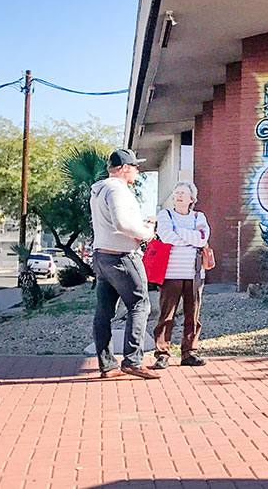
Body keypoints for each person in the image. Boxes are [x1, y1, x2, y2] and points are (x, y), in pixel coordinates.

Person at [90, 148, 160, 379]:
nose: (138, 171)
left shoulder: (99, 190)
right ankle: (132, 361)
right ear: (124, 168)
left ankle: (107, 365)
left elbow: (114, 223)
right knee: (140, 305)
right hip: (122, 256)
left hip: (101, 257)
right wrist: (147, 233)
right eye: (135, 166)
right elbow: (121, 223)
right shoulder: (117, 189)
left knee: (104, 311)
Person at [153, 181, 210, 368]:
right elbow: (166, 235)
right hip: (171, 273)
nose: (179, 196)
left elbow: (202, 238)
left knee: (192, 313)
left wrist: (178, 232)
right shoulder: (165, 215)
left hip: (194, 273)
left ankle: (189, 353)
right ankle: (162, 353)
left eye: (184, 193)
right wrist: (190, 237)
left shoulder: (199, 216)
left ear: (192, 198)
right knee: (167, 313)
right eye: (176, 192)